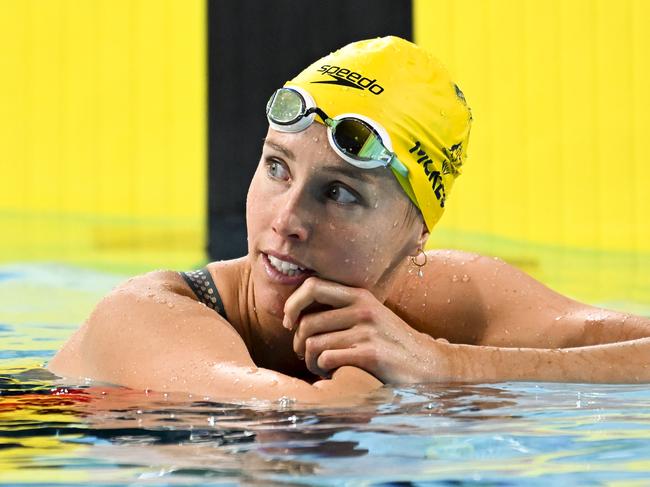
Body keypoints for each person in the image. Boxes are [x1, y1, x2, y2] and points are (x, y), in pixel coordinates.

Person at [49, 37, 650, 403]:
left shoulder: (448, 300)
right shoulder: (147, 314)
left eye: (339, 193)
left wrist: (449, 362)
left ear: (416, 230)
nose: (286, 220)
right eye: (277, 168)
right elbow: (298, 424)